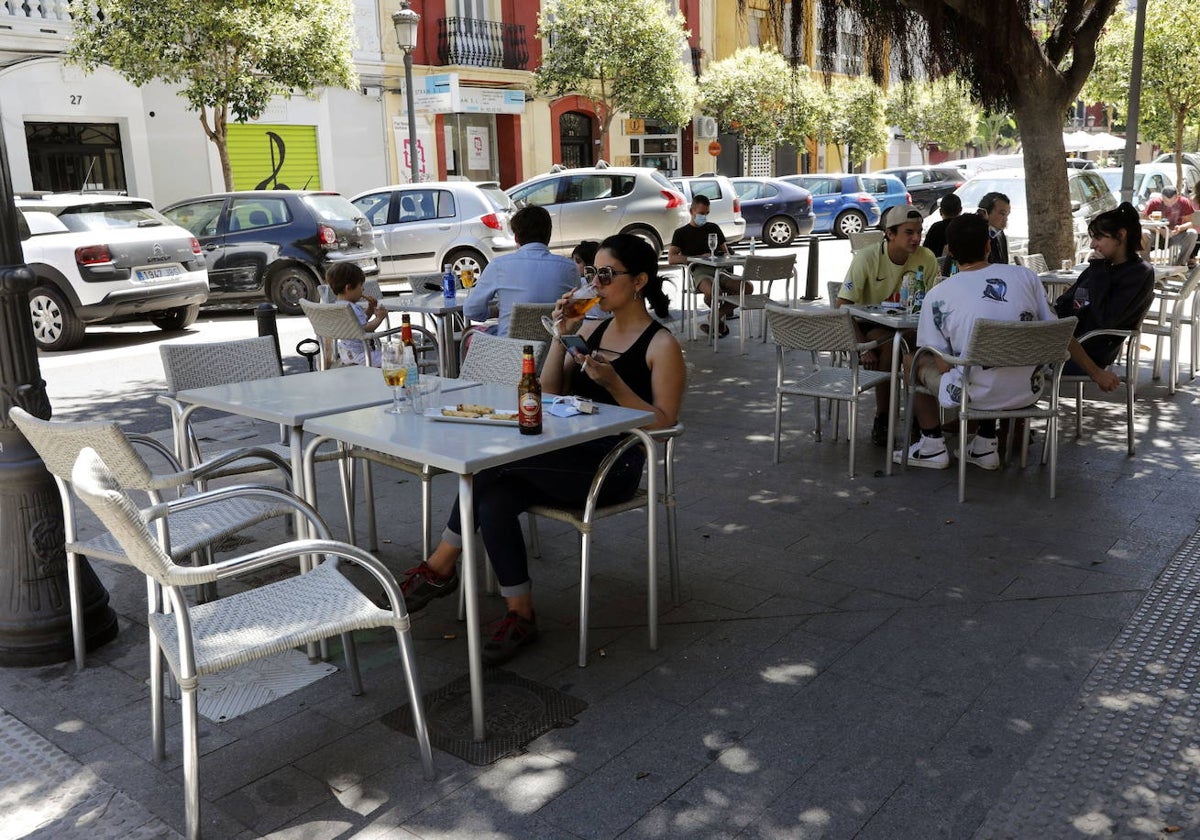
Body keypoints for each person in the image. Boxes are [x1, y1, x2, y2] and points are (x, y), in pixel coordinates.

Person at [398, 234, 685, 666]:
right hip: (565, 453)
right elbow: (549, 391)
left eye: (605, 275)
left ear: (639, 280)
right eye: (591, 274)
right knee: (492, 497)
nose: (595, 284)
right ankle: (520, 612)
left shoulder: (661, 345)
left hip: (613, 466)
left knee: (490, 468)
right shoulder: (592, 326)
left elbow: (664, 420)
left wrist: (615, 385)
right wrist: (560, 336)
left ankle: (440, 566)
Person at [896, 213, 1055, 470]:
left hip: (975, 395)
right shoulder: (1027, 277)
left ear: (950, 251)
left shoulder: (938, 295)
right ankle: (984, 443)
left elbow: (944, 365)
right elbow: (1052, 327)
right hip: (1029, 389)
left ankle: (932, 445)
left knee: (911, 359)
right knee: (984, 367)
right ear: (988, 246)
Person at [836, 204, 940, 447]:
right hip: (869, 326)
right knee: (888, 349)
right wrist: (862, 346)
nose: (916, 238)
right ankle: (883, 418)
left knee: (926, 352)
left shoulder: (927, 257)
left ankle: (922, 419)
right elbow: (841, 307)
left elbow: (933, 303)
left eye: (919, 232)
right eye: (909, 232)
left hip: (910, 326)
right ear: (890, 234)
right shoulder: (867, 257)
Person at [1054, 203, 1156, 390]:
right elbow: (1064, 304)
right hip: (1063, 343)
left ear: (1121, 235)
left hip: (1087, 353)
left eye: (1099, 237)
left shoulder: (1138, 273)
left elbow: (1106, 319)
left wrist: (1099, 271)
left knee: (1013, 361)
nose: (1093, 245)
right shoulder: (1099, 267)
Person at [463, 205, 577, 336]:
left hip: (510, 349)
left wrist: (496, 311)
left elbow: (471, 310)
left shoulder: (499, 266)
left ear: (516, 237)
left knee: (469, 333)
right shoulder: (570, 268)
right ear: (549, 235)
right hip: (554, 348)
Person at [667, 194, 748, 338]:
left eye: (707, 213)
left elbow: (725, 252)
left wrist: (719, 255)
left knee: (747, 288)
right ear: (692, 212)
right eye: (701, 213)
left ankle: (716, 316)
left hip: (718, 269)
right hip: (699, 270)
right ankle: (716, 317)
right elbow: (672, 258)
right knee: (713, 290)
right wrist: (696, 258)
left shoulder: (713, 228)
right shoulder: (681, 233)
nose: (704, 217)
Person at [327, 262, 388, 366]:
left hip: (346, 355)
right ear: (348, 287)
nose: (363, 289)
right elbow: (363, 328)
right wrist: (380, 318)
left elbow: (356, 323)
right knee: (399, 357)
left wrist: (369, 310)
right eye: (360, 286)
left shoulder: (338, 307)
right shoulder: (351, 308)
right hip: (362, 355)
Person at [1141, 186, 1196, 258]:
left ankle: (1180, 263)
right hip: (1157, 234)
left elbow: (1189, 223)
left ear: (1177, 196)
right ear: (1161, 197)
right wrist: (1160, 230)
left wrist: (1180, 228)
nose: (1169, 204)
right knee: (1144, 233)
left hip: (1176, 234)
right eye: (1166, 201)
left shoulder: (1184, 202)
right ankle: (1145, 263)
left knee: (1192, 233)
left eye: (1172, 201)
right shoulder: (1154, 203)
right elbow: (1145, 223)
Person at [923, 193, 962, 268]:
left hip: (938, 270)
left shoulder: (935, 228)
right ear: (960, 210)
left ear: (940, 211)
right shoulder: (966, 227)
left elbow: (926, 254)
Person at [978, 192, 1011, 264]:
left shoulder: (1000, 234)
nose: (1005, 219)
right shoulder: (972, 235)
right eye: (1002, 214)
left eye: (1007, 215)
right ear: (984, 213)